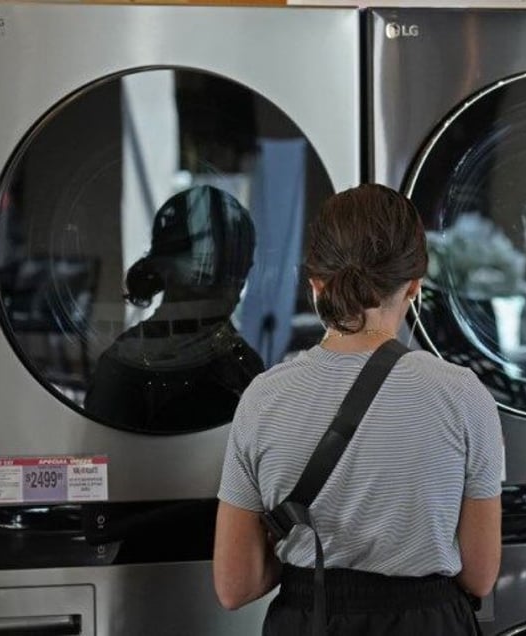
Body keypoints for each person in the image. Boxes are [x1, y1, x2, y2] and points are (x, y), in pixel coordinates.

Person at [213, 184, 503, 635]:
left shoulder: (263, 399)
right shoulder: (463, 395)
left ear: (316, 284)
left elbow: (234, 585)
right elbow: (479, 574)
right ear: (413, 286)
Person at [84, 185, 264, 434]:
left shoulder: (242, 362)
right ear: (165, 267)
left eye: (239, 269)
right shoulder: (127, 366)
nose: (231, 284)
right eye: (212, 270)